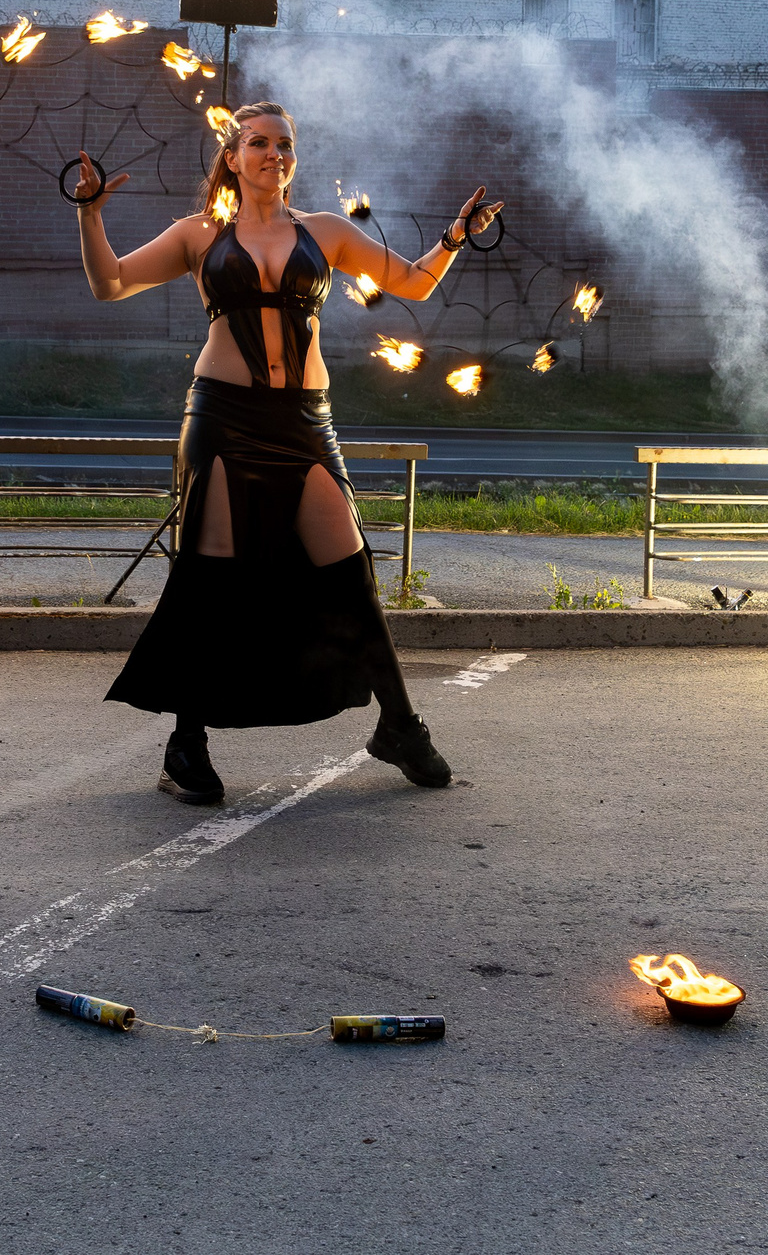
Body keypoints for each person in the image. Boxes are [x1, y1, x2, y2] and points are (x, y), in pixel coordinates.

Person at [72, 101, 503, 804]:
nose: (274, 153)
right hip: (224, 417)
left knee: (349, 566)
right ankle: (187, 742)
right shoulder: (199, 234)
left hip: (304, 422)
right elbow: (109, 281)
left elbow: (414, 282)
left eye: (285, 144)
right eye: (259, 143)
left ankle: (400, 725)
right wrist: (89, 212)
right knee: (211, 578)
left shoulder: (324, 233)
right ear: (234, 157)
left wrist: (455, 235)